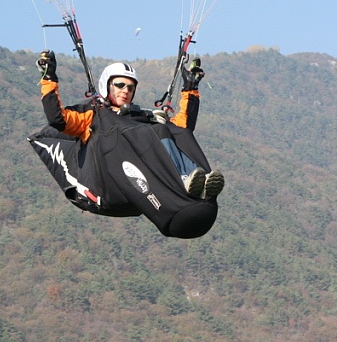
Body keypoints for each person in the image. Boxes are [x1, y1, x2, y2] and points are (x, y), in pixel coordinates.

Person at [28, 50, 224, 238]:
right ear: (107, 85)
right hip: (102, 185)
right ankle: (181, 180)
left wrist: (190, 88)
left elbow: (182, 128)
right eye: (120, 85)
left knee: (165, 129)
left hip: (135, 192)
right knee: (119, 126)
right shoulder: (92, 115)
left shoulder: (138, 117)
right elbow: (58, 120)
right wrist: (49, 78)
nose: (125, 91)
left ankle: (192, 181)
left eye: (130, 88)